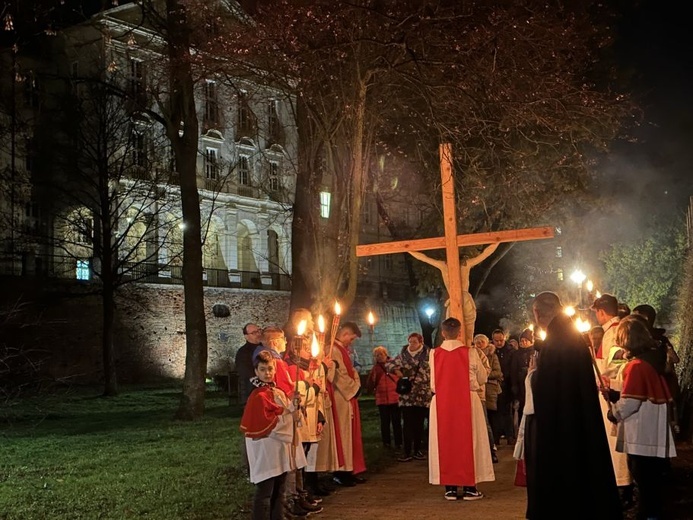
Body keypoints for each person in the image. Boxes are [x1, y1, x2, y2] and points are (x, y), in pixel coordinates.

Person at [528, 291, 622, 519]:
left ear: (538, 313)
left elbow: (547, 385)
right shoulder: (570, 335)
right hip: (578, 414)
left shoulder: (555, 341)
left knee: (566, 468)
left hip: (562, 421)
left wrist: (533, 374)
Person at [603, 315, 677, 520]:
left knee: (644, 480)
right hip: (652, 430)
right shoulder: (650, 360)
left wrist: (614, 412)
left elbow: (631, 402)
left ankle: (648, 515)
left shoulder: (637, 366)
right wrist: (613, 391)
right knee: (651, 482)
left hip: (642, 433)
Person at [429, 318, 494, 501]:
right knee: (470, 441)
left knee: (446, 441)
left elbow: (434, 382)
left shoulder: (434, 354)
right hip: (468, 399)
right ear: (459, 333)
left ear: (442, 333)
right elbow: (482, 378)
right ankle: (469, 488)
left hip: (442, 402)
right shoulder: (471, 352)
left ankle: (449, 488)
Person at [240, 350, 306, 520]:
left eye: (270, 369)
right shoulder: (258, 397)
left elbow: (289, 417)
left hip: (279, 450)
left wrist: (295, 407)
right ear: (256, 371)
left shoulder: (278, 392)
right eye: (262, 369)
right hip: (266, 451)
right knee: (265, 492)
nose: (267, 373)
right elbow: (272, 425)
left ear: (275, 369)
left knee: (279, 490)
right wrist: (289, 414)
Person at [408, 242, 499, 347]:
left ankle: (466, 347)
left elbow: (485, 254)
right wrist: (408, 249)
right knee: (452, 328)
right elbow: (423, 258)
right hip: (456, 300)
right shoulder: (447, 265)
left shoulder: (464, 264)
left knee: (465, 328)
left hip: (464, 299)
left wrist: (497, 242)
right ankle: (458, 347)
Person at [591, 294, 633, 506]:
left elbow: (614, 363)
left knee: (615, 438)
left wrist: (606, 379)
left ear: (601, 312)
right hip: (612, 389)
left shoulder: (613, 333)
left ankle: (622, 484)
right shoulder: (615, 330)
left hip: (613, 391)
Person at [632, 303, 681, 434]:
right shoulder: (657, 339)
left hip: (659, 387)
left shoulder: (654, 341)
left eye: (636, 318)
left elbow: (675, 359)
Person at [328, 322, 366, 486]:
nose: (351, 342)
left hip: (345, 397)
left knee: (348, 433)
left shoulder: (341, 350)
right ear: (345, 334)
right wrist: (353, 389)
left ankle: (349, 469)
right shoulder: (333, 350)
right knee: (343, 433)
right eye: (351, 338)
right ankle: (342, 471)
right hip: (340, 397)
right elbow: (338, 374)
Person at [387, 332, 432, 462]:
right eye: (410, 341)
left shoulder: (428, 354)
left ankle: (417, 449)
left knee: (419, 423)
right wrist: (397, 371)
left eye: (414, 342)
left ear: (420, 342)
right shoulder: (403, 355)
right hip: (407, 395)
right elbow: (389, 364)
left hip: (422, 394)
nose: (412, 344)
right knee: (407, 423)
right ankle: (406, 451)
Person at [366, 346, 402, 451]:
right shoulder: (375, 369)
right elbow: (370, 383)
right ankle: (386, 443)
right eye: (377, 355)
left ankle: (398, 442)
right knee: (384, 423)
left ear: (386, 354)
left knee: (396, 422)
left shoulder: (393, 365)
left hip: (394, 398)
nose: (379, 357)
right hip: (382, 399)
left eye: (381, 354)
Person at [473, 333, 501, 463]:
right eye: (476, 342)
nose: (478, 344)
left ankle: (491, 450)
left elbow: (487, 372)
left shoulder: (483, 355)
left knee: (485, 422)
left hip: (481, 392)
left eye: (481, 342)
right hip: (471, 392)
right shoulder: (470, 352)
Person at [491, 328, 515, 446]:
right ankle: (496, 437)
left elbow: (513, 369)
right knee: (496, 413)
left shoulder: (511, 352)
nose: (499, 343)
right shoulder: (491, 352)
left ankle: (510, 435)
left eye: (501, 340)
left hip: (507, 385)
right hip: (495, 386)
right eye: (496, 341)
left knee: (507, 411)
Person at [510, 328, 535, 437]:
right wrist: (514, 384)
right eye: (522, 341)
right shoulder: (516, 354)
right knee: (522, 407)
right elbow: (513, 369)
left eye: (526, 340)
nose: (524, 343)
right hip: (521, 384)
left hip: (532, 382)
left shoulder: (535, 352)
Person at [236, 323, 264, 405]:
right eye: (254, 333)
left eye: (259, 331)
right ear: (246, 336)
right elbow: (246, 373)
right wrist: (262, 384)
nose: (258, 334)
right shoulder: (243, 353)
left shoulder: (265, 348)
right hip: (251, 391)